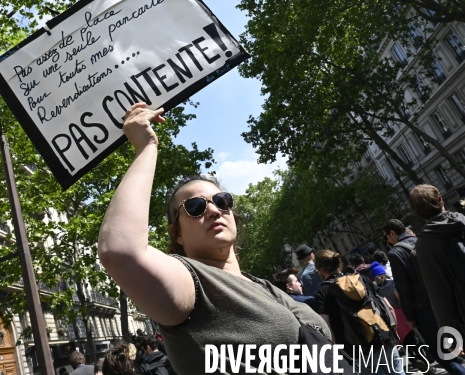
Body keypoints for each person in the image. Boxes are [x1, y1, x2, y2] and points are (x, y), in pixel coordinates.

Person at [98, 103, 332, 375]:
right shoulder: (193, 284)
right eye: (195, 207)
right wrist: (146, 147)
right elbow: (120, 250)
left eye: (221, 201)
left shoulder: (263, 286)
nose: (212, 210)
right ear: (177, 234)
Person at [383, 218, 465, 375]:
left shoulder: (395, 254)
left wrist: (409, 316)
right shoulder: (422, 240)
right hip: (446, 301)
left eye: (386, 236)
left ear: (393, 233)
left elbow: (404, 289)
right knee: (457, 345)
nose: (386, 240)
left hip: (425, 310)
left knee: (444, 356)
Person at [313, 250, 405, 375]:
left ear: (321, 269)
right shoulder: (362, 279)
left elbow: (326, 326)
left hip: (357, 351)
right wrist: (394, 333)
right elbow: (388, 307)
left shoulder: (323, 293)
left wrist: (338, 352)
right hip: (384, 339)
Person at [410, 185, 465, 333]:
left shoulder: (424, 244)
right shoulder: (462, 221)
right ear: (441, 200)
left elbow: (438, 292)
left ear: (417, 212)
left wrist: (449, 332)